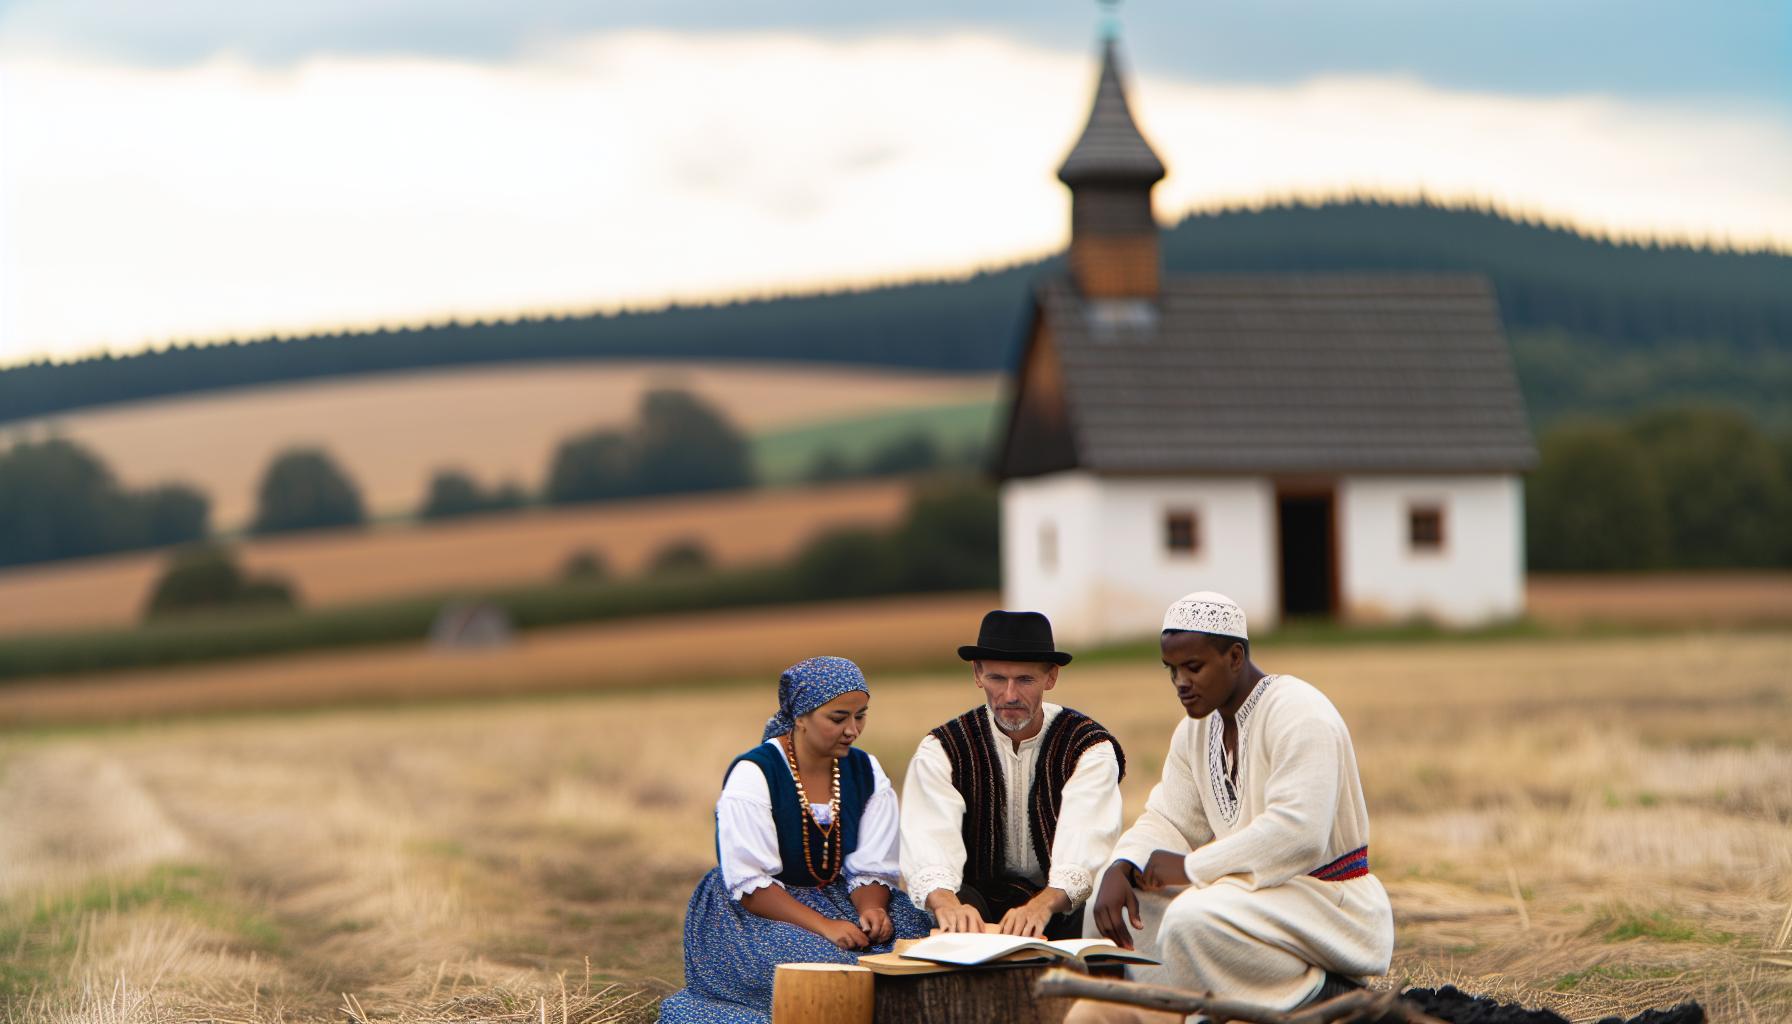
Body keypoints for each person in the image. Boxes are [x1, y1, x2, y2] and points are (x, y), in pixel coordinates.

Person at [1074, 592, 1394, 1022]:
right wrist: (1123, 865)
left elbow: (1298, 833)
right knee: (1115, 898)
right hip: (1246, 897)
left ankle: (1317, 993)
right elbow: (1169, 819)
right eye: (1172, 671)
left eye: (1194, 667)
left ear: (1235, 656)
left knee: (1191, 919)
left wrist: (1191, 869)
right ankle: (1168, 1010)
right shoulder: (1195, 730)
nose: (1180, 683)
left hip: (1326, 903)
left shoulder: (1300, 712)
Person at [659, 656, 933, 1024]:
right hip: (759, 910)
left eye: (861, 715)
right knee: (828, 966)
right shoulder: (755, 774)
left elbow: (871, 864)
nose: (853, 730)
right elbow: (752, 886)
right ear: (801, 717)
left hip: (838, 895)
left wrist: (872, 907)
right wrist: (826, 926)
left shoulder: (866, 771)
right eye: (838, 719)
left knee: (921, 935)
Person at [900, 610, 1125, 940]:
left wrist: (1041, 906)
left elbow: (1086, 843)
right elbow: (928, 839)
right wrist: (948, 904)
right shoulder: (942, 749)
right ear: (977, 674)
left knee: (1102, 903)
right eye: (996, 679)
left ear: (1051, 677)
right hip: (975, 903)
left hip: (1061, 905)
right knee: (933, 915)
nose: (1009, 696)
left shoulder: (1088, 747)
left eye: (1025, 679)